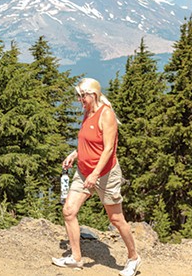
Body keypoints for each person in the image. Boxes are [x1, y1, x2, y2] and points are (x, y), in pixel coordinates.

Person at [51, 78, 141, 276]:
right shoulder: (87, 112)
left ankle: (133, 258)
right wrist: (75, 154)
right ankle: (76, 258)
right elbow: (90, 143)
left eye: (82, 95)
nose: (79, 99)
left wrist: (95, 174)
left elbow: (108, 149)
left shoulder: (106, 115)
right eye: (78, 95)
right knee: (69, 211)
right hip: (84, 171)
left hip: (105, 173)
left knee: (116, 218)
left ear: (94, 94)